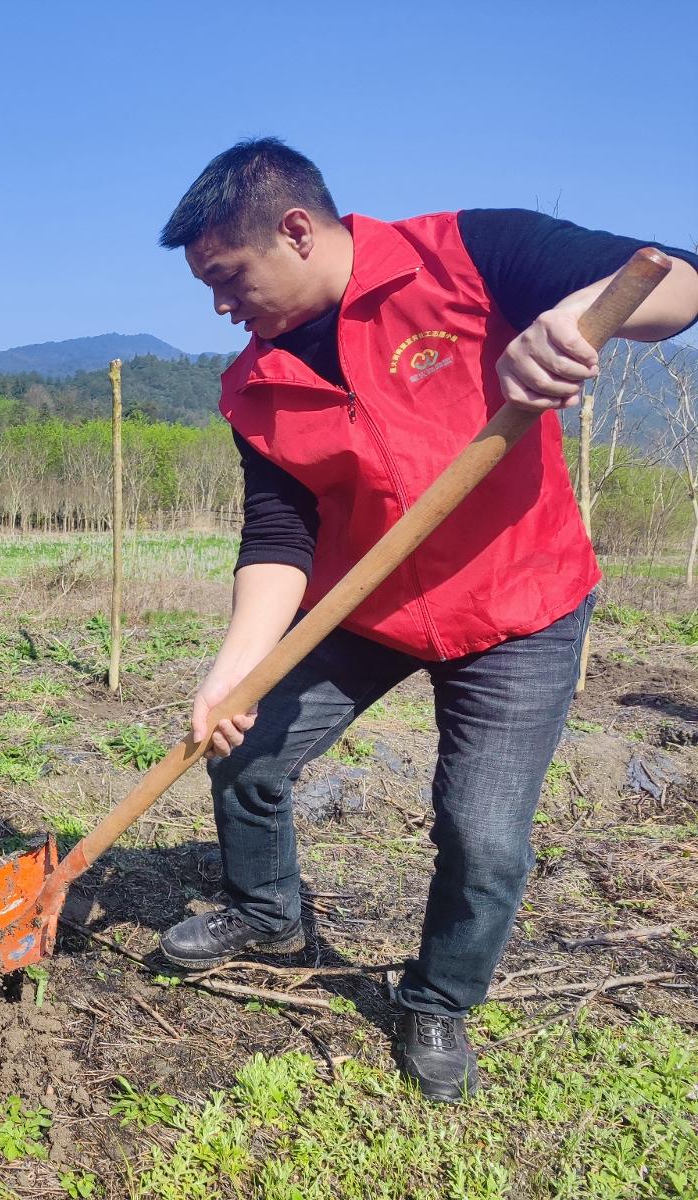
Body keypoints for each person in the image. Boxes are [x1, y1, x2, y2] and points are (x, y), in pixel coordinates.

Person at [154, 138, 698, 1103]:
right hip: (365, 604)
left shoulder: (467, 254)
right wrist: (233, 668)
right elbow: (279, 534)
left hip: (519, 602)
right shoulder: (254, 385)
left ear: (295, 230)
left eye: (227, 277)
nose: (220, 306)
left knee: (482, 832)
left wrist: (571, 321)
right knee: (245, 749)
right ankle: (268, 910)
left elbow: (678, 282)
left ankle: (441, 994)